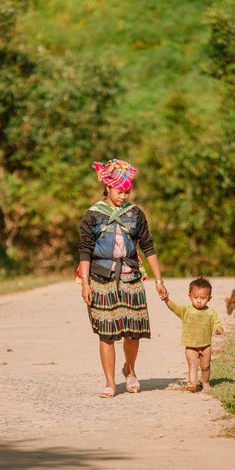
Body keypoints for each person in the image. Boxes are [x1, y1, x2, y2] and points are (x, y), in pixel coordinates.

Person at [78, 159, 169, 398]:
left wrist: (159, 281)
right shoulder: (93, 215)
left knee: (132, 331)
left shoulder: (135, 214)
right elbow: (85, 250)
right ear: (107, 187)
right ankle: (110, 383)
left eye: (127, 191)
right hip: (101, 280)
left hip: (130, 278)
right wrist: (85, 283)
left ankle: (130, 371)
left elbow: (148, 246)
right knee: (106, 334)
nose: (123, 195)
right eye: (120, 191)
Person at [163, 278, 223, 392]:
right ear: (190, 296)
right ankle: (193, 384)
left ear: (209, 298)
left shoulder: (211, 312)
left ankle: (205, 384)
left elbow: (216, 323)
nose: (199, 301)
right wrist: (167, 300)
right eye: (195, 297)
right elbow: (175, 307)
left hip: (205, 345)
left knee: (205, 366)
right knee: (193, 365)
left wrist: (218, 328)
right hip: (190, 345)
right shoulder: (186, 310)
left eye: (203, 298)